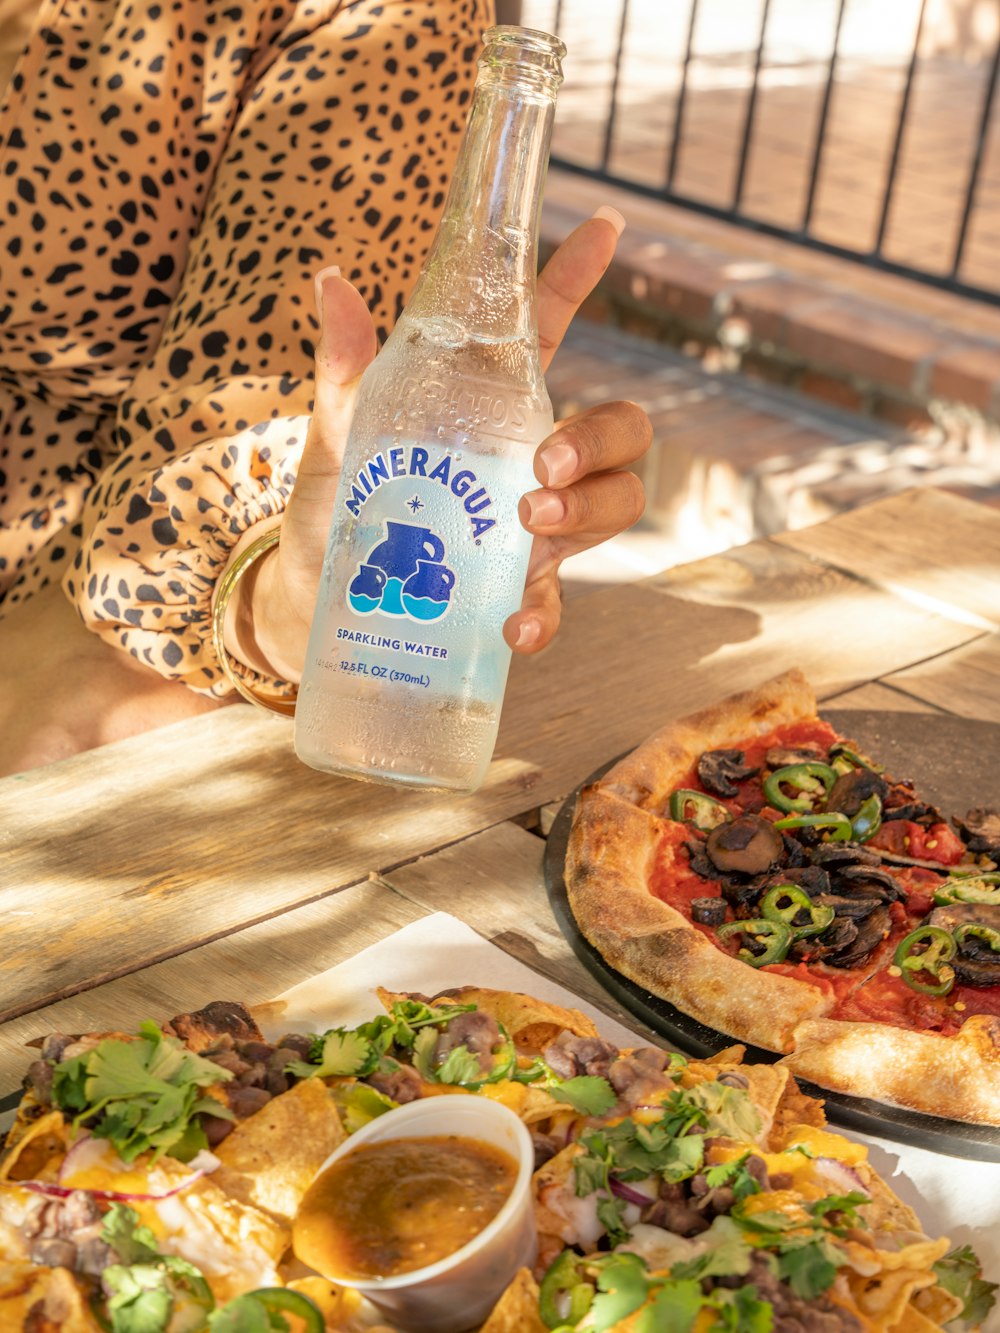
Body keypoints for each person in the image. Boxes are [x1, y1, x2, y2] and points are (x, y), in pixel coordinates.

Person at [0, 0, 651, 776]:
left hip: (63, 572)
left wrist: (270, 604)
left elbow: (222, 436)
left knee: (101, 722)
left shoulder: (376, 15)